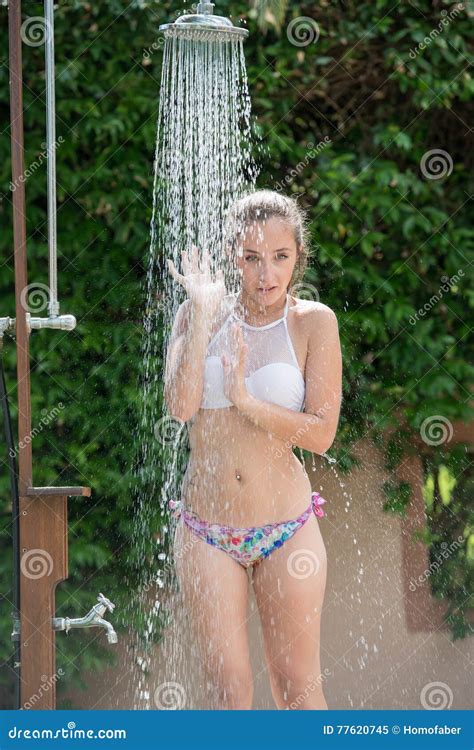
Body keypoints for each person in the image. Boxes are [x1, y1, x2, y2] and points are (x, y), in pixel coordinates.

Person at [164, 189, 342, 710]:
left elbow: (321, 433)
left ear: (297, 258)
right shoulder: (195, 314)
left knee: (297, 684)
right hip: (207, 529)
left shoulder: (313, 322)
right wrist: (200, 315)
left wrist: (244, 399)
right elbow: (179, 405)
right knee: (229, 687)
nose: (266, 273)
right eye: (251, 258)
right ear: (230, 257)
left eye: (280, 258)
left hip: (287, 528)